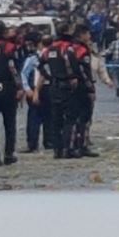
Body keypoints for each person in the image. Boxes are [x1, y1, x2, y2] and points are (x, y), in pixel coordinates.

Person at [38, 23, 75, 159]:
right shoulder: (67, 47)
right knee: (69, 119)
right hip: (66, 86)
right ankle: (66, 148)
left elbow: (41, 65)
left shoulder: (49, 50)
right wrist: (72, 78)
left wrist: (50, 76)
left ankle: (56, 150)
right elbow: (73, 65)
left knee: (55, 119)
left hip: (53, 86)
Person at [0, 20, 24, 167]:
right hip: (7, 88)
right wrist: (19, 87)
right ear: (4, 32)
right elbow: (13, 69)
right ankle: (9, 154)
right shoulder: (9, 47)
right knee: (10, 123)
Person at [67, 22, 98, 158]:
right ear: (82, 35)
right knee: (84, 118)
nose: (89, 36)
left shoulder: (69, 47)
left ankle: (71, 146)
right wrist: (90, 88)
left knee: (73, 118)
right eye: (88, 34)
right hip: (82, 88)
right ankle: (81, 145)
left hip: (70, 87)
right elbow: (83, 70)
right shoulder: (82, 50)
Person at [20, 33, 45, 153]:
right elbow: (23, 74)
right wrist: (27, 89)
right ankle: (32, 143)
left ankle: (49, 141)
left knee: (49, 116)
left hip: (47, 88)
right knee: (34, 117)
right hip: (34, 88)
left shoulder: (45, 55)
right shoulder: (33, 58)